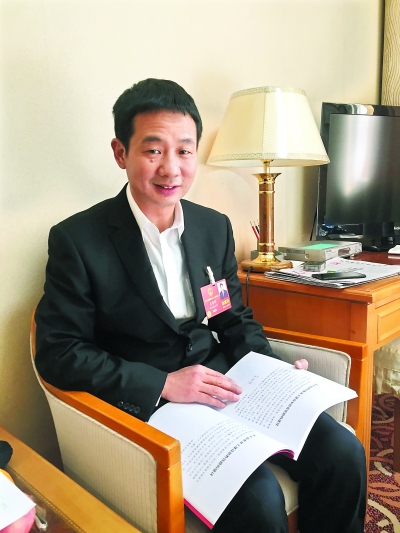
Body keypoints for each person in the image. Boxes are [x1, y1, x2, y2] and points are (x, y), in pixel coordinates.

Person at [35, 78, 367, 533]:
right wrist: (163, 383)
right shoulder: (78, 240)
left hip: (223, 382)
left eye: (184, 151)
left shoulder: (213, 227)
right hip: (154, 405)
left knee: (343, 453)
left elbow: (230, 317)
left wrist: (272, 371)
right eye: (154, 150)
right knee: (260, 499)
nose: (171, 168)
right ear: (120, 153)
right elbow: (59, 352)